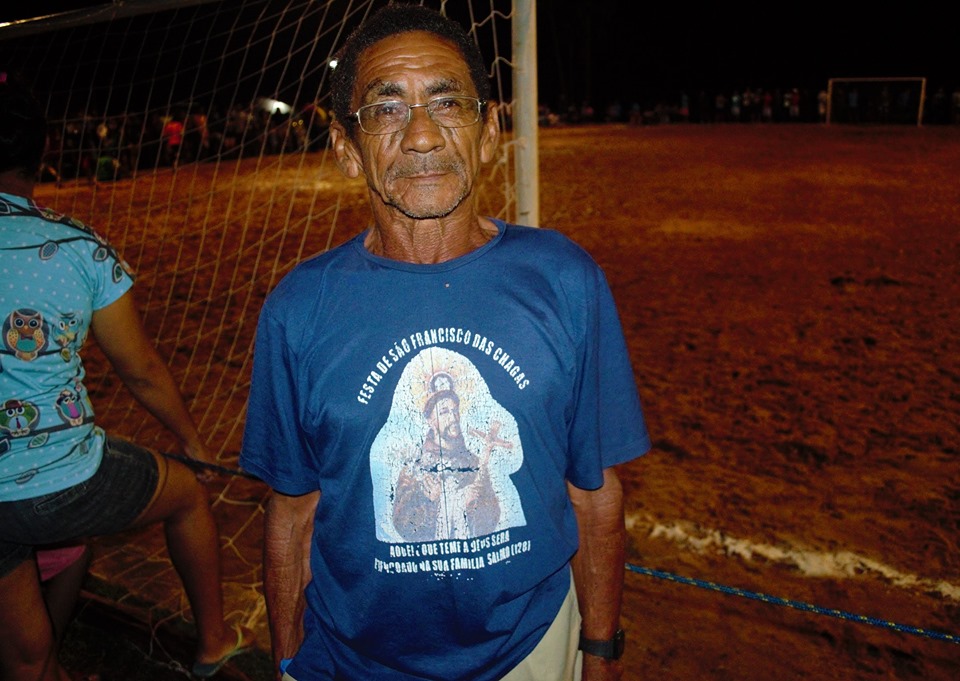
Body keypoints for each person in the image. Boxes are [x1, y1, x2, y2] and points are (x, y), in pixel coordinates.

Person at [239, 5, 651, 681]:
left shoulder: (564, 278)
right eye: (386, 109)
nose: (423, 135)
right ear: (346, 148)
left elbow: (595, 492)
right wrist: (287, 661)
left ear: (489, 133)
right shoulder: (299, 307)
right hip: (354, 660)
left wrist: (600, 651)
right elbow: (292, 511)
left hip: (531, 647)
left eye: (447, 102)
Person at [0, 75, 254, 680]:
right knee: (187, 495)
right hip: (59, 480)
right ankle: (214, 642)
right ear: (43, 151)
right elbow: (140, 371)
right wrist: (192, 443)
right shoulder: (78, 248)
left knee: (29, 654)